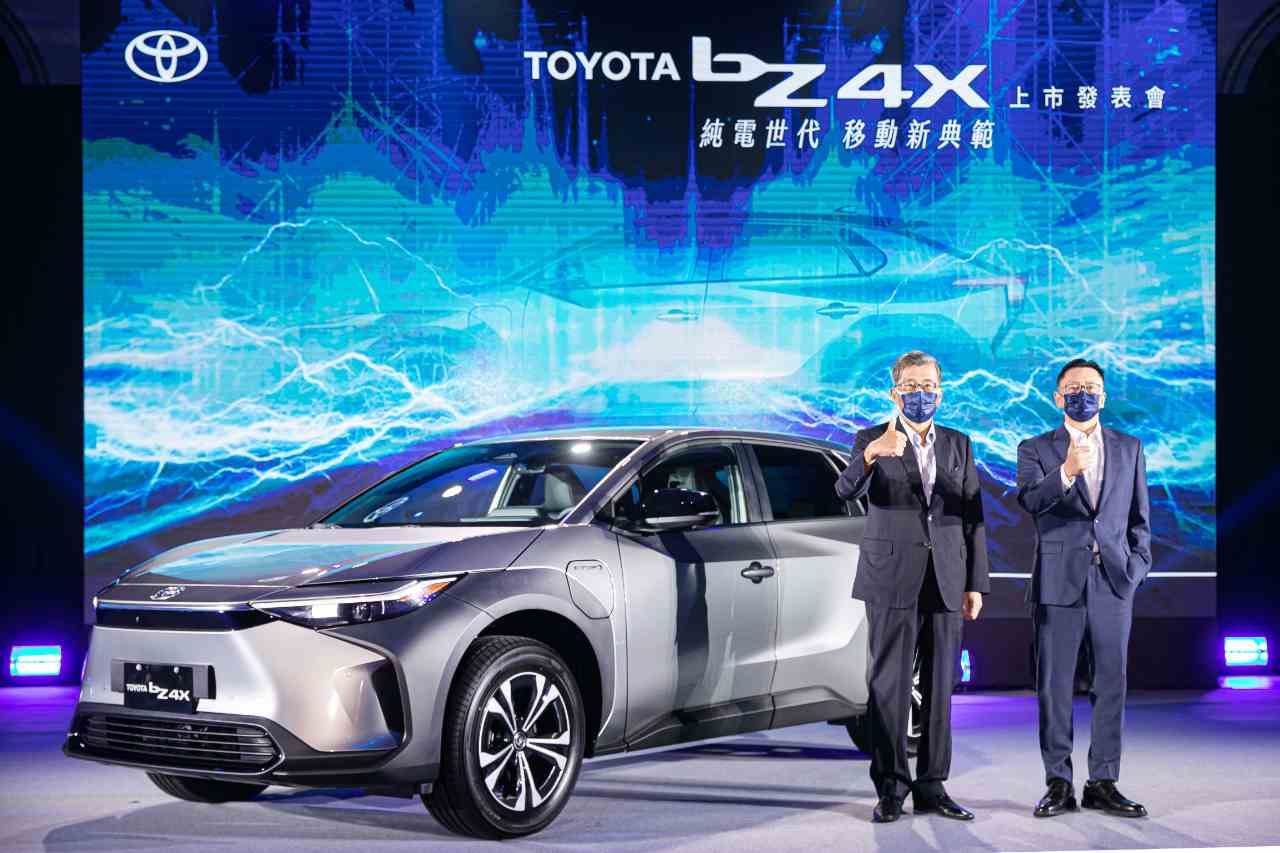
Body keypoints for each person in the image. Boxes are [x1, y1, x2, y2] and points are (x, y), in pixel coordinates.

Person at [835, 350, 989, 823]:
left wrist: (975, 583)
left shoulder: (959, 444)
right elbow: (844, 491)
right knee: (889, 686)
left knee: (941, 685)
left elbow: (973, 516)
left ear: (940, 392)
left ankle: (933, 786)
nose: (921, 394)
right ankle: (890, 788)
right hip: (890, 577)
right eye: (911, 386)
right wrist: (870, 456)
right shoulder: (871, 439)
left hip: (946, 578)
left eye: (928, 386)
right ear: (894, 392)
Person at [1016, 358, 1151, 819]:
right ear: (1058, 397)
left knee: (1111, 684)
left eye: (1091, 387)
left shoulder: (1129, 447)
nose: (1083, 395)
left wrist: (1136, 568)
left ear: (1104, 396)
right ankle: (1058, 783)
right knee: (1054, 687)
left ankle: (1103, 782)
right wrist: (1067, 471)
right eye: (1073, 388)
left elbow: (1139, 519)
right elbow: (1031, 500)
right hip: (1058, 582)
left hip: (1113, 581)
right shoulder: (1035, 448)